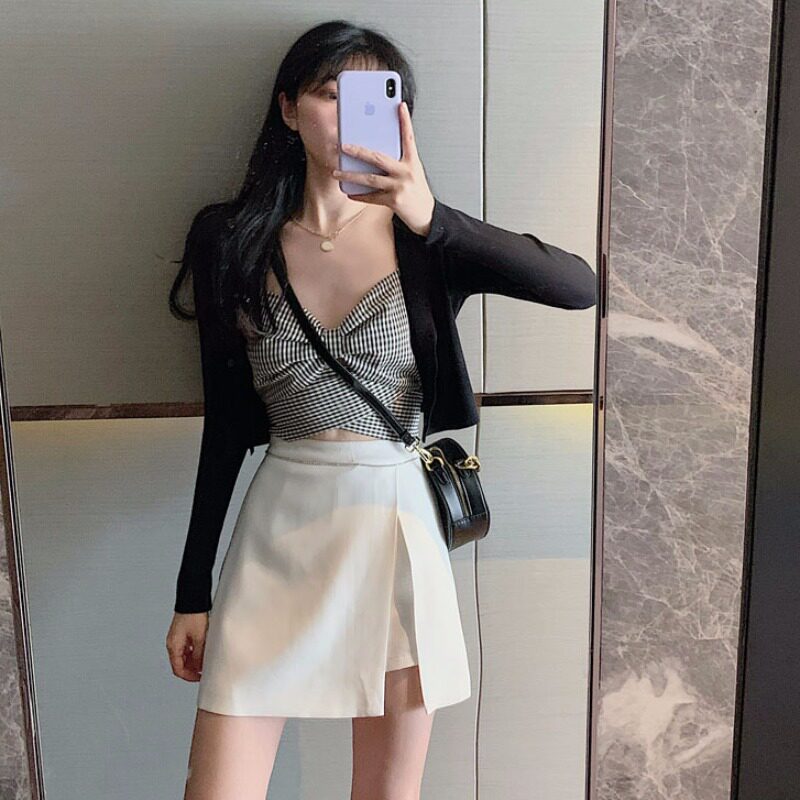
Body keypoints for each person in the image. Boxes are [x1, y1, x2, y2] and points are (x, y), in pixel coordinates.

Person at [165, 19, 596, 800]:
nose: (345, 114)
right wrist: (192, 592)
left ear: (398, 114)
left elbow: (577, 286)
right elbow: (225, 426)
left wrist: (434, 216)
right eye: (328, 93)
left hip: (396, 530)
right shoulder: (229, 239)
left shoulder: (426, 241)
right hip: (278, 531)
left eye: (368, 96)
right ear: (289, 109)